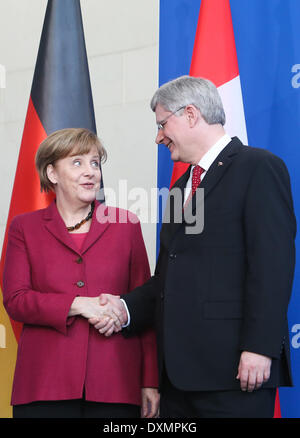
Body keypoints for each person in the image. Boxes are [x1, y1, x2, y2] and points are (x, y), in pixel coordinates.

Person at [90, 76, 296, 418]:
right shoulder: (181, 188)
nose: (158, 137)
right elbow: (167, 278)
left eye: (161, 124)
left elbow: (273, 265)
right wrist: (124, 307)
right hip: (178, 379)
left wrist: (259, 347)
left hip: (234, 372)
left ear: (190, 114)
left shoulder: (258, 167)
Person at [3, 127, 159, 419]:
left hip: (116, 384)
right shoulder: (24, 228)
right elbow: (16, 299)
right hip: (44, 383)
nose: (90, 172)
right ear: (52, 173)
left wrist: (149, 380)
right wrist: (78, 304)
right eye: (77, 163)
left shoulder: (126, 225)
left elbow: (146, 304)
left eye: (95, 162)